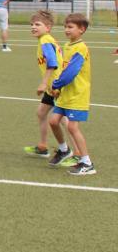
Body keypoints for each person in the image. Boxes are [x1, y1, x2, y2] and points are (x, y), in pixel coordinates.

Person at [47, 14, 93, 174]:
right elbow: (63, 69)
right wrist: (59, 88)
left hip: (77, 94)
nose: (67, 30)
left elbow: (71, 73)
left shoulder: (80, 48)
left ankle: (86, 162)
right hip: (65, 93)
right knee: (53, 121)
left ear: (82, 29)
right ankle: (64, 150)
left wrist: (56, 84)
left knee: (72, 127)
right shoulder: (68, 45)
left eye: (70, 27)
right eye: (65, 27)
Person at [25, 10, 67, 159]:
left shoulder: (45, 40)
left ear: (48, 27)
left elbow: (52, 63)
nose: (33, 27)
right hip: (52, 86)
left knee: (64, 120)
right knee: (41, 113)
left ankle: (78, 154)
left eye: (37, 24)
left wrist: (43, 83)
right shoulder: (46, 40)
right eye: (32, 24)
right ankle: (43, 146)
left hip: (56, 86)